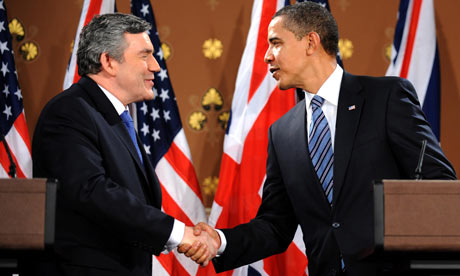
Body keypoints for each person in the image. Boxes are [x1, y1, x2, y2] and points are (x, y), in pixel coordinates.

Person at [180, 2, 457, 276]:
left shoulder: (384, 98)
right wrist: (220, 241)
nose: (267, 56)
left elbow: (439, 187)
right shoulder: (282, 133)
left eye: (275, 43)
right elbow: (276, 225)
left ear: (311, 42)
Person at [21, 13, 216, 276]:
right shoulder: (69, 111)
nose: (156, 66)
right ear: (109, 61)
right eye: (145, 55)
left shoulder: (113, 116)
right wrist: (178, 233)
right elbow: (92, 191)